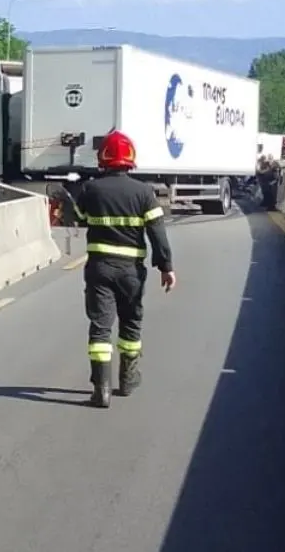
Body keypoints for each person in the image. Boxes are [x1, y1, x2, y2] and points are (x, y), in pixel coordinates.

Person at [67, 129, 175, 408]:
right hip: (131, 272)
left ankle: (100, 390)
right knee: (131, 322)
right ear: (130, 159)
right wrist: (166, 266)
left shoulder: (91, 189)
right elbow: (158, 233)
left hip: (99, 268)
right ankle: (127, 380)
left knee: (100, 328)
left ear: (103, 159)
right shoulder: (144, 193)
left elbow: (79, 218)